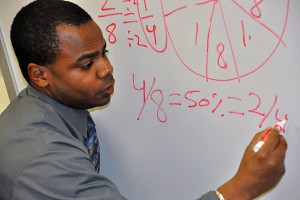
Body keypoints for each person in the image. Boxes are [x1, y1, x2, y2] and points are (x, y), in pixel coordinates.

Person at [0, 0, 287, 199]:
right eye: (87, 64)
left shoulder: (51, 107)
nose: (107, 69)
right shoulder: (42, 159)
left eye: (104, 53)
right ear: (39, 75)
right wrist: (242, 188)